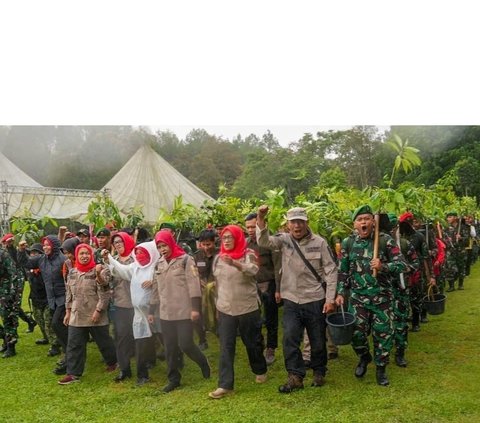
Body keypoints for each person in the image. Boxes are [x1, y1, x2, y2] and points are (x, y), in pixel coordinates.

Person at [256, 206, 337, 393]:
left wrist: (330, 299)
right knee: (290, 338)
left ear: (307, 222)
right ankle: (295, 376)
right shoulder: (283, 241)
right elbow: (263, 240)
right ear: (288, 225)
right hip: (291, 300)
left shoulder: (320, 243)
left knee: (317, 339)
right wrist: (261, 217)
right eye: (293, 222)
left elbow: (331, 271)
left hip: (315, 298)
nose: (297, 225)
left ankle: (318, 372)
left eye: (301, 221)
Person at [335, 205, 406, 386]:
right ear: (355, 224)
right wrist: (341, 293)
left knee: (383, 335)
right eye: (360, 220)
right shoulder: (348, 243)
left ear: (373, 221)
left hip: (383, 299)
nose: (364, 222)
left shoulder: (385, 241)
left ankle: (381, 369)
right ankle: (364, 357)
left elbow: (402, 265)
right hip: (358, 299)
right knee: (356, 334)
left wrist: (383, 266)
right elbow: (343, 271)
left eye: (367, 219)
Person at [208, 225, 267, 399]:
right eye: (224, 238)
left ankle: (260, 369)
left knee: (252, 342)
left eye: (229, 237)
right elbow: (217, 280)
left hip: (247, 307)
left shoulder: (247, 253)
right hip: (226, 308)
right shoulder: (218, 258)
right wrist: (218, 304)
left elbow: (253, 270)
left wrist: (235, 263)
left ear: (237, 238)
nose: (226, 241)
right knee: (226, 346)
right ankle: (225, 385)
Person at [149, 230, 210, 393]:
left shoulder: (185, 260)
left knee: (186, 344)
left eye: (164, 245)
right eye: (159, 246)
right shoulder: (159, 264)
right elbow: (156, 289)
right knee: (169, 348)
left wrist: (195, 309)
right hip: (166, 313)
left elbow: (193, 285)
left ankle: (203, 362)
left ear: (171, 243)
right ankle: (173, 379)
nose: (162, 249)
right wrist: (151, 310)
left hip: (184, 311)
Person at [58, 244, 117, 384]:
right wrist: (67, 311)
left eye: (87, 253)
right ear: (77, 256)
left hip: (95, 314)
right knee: (74, 344)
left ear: (91, 255)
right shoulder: (73, 272)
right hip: (77, 315)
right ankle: (73, 374)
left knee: (104, 342)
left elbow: (105, 293)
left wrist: (98, 311)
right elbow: (69, 293)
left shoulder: (99, 270)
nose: (84, 256)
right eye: (81, 254)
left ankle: (113, 362)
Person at [102, 241, 159, 386]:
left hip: (155, 313)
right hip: (139, 314)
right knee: (140, 343)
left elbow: (165, 281)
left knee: (167, 340)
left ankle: (177, 365)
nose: (139, 256)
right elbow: (121, 269)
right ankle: (142, 375)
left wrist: (153, 282)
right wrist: (109, 258)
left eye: (143, 253)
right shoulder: (135, 267)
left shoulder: (156, 267)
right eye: (137, 253)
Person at [18, 235, 68, 374]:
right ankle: (68, 351)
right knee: (58, 326)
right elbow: (26, 263)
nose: (45, 247)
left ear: (55, 246)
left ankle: (68, 353)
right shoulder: (41, 259)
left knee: (57, 325)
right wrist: (21, 251)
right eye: (44, 245)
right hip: (51, 299)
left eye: (48, 244)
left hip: (63, 299)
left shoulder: (63, 260)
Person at [245, 212, 281, 366]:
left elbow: (278, 266)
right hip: (252, 285)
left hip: (270, 283)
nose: (251, 230)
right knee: (255, 319)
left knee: (271, 318)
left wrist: (279, 289)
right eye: (248, 227)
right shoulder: (246, 244)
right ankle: (259, 345)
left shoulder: (269, 242)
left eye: (253, 226)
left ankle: (271, 348)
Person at [109, 232, 136, 382]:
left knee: (143, 336)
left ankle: (148, 362)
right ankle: (125, 369)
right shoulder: (114, 261)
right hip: (121, 303)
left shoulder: (136, 257)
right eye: (115, 242)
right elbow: (108, 280)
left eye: (120, 241)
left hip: (138, 303)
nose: (118, 244)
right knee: (121, 336)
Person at [192, 228, 219, 345]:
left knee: (218, 313)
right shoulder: (196, 256)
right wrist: (198, 280)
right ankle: (202, 339)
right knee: (197, 314)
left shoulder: (220, 254)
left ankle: (218, 331)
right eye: (203, 244)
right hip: (201, 290)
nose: (206, 247)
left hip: (218, 290)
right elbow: (193, 272)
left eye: (209, 244)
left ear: (214, 242)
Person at [25, 243, 53, 346]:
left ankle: (55, 345)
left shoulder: (46, 267)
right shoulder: (29, 269)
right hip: (35, 298)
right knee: (39, 320)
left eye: (35, 253)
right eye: (31, 253)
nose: (33, 255)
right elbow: (19, 262)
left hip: (46, 299)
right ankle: (46, 338)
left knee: (48, 322)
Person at [0, 243, 20, 358]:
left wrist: (12, 292)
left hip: (5, 290)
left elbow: (13, 273)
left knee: (7, 318)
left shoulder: (3, 254)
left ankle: (11, 346)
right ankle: (4, 338)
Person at [444, 212, 470, 291]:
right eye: (447, 217)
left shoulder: (463, 227)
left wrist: (461, 238)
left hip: (460, 251)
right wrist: (447, 241)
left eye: (450, 217)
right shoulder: (447, 229)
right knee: (449, 268)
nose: (448, 219)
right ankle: (451, 286)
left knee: (461, 267)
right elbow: (444, 240)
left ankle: (460, 285)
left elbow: (467, 242)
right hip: (450, 251)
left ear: (455, 218)